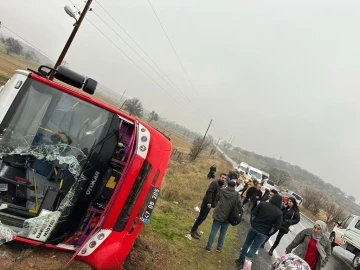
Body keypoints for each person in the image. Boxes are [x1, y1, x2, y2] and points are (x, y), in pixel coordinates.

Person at [235, 194, 283, 268]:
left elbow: (253, 214)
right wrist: (269, 233)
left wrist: (253, 223)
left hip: (254, 227)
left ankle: (240, 259)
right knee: (254, 248)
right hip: (264, 233)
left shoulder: (263, 204)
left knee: (247, 243)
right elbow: (276, 227)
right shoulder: (279, 213)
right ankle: (244, 265)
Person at [205, 180, 240, 252]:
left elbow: (216, 198)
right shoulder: (237, 195)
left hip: (219, 214)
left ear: (227, 184)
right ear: (235, 186)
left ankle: (208, 246)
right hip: (228, 216)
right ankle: (219, 248)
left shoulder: (222, 191)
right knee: (223, 232)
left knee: (214, 230)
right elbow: (239, 205)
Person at [190, 173, 226, 239]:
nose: (223, 179)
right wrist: (209, 202)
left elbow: (217, 195)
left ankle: (195, 230)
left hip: (210, 204)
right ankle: (193, 231)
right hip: (206, 203)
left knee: (203, 218)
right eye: (222, 177)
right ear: (219, 177)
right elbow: (209, 192)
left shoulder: (220, 185)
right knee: (201, 217)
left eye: (224, 178)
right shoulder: (215, 183)